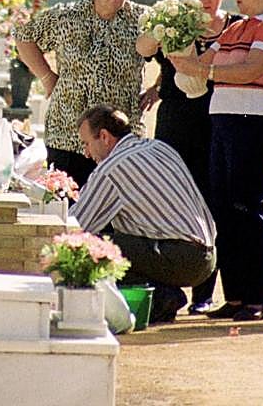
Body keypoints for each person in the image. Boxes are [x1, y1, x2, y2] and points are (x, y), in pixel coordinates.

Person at [169, 0, 263, 322]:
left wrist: (198, 68)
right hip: (225, 119)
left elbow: (249, 69)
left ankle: (258, 296)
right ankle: (237, 295)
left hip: (256, 120)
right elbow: (216, 67)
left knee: (246, 207)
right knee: (224, 209)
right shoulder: (237, 29)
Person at [137, 0, 232, 314]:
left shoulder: (235, 27)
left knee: (210, 202)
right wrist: (164, 26)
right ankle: (168, 288)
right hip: (175, 122)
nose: (205, 0)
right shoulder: (175, 22)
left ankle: (205, 291)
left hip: (215, 122)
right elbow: (144, 49)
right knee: (171, 200)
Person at [72, 105, 217, 324]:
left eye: (87, 144)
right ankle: (163, 292)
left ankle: (161, 297)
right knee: (115, 238)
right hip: (208, 256)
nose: (86, 152)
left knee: (91, 246)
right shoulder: (158, 147)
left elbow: (76, 226)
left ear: (104, 136)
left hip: (182, 257)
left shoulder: (111, 169)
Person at [14, 0, 147, 186]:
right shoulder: (67, 16)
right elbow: (24, 37)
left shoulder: (142, 20)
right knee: (69, 208)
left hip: (117, 140)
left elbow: (171, 50)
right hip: (68, 132)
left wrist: (157, 89)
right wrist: (47, 77)